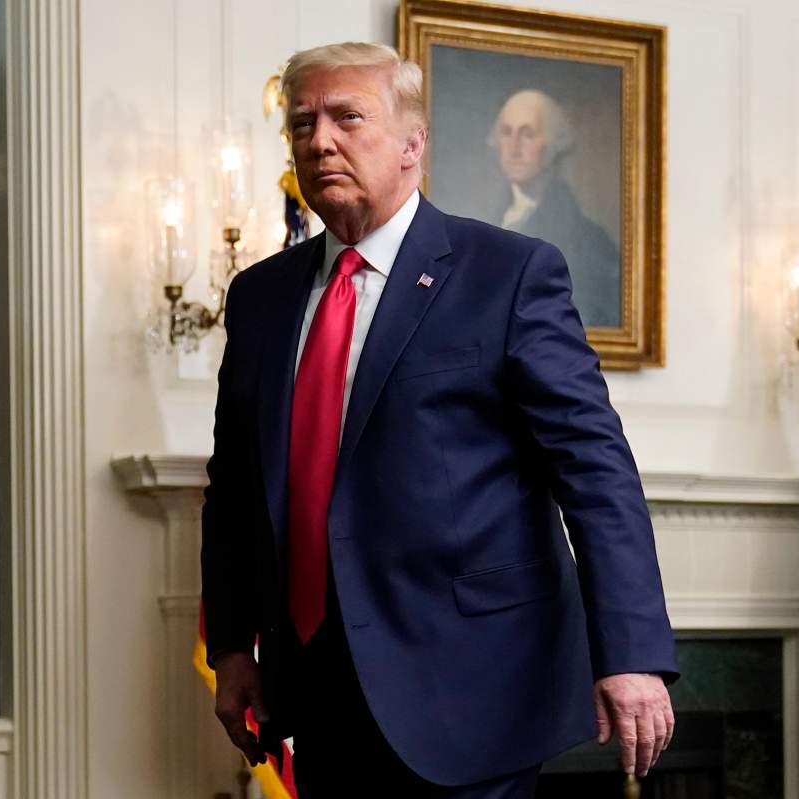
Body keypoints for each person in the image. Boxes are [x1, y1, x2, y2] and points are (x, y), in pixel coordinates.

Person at [200, 42, 678, 798]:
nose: (318, 140)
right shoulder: (260, 296)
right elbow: (232, 487)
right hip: (318, 691)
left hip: (476, 692)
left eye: (347, 117)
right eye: (302, 124)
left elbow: (595, 470)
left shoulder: (509, 273)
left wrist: (631, 651)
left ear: (413, 144)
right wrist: (231, 644)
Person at [487, 89, 621, 328]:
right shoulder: (488, 221)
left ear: (554, 144)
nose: (514, 147)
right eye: (507, 133)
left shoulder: (591, 240)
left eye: (528, 134)